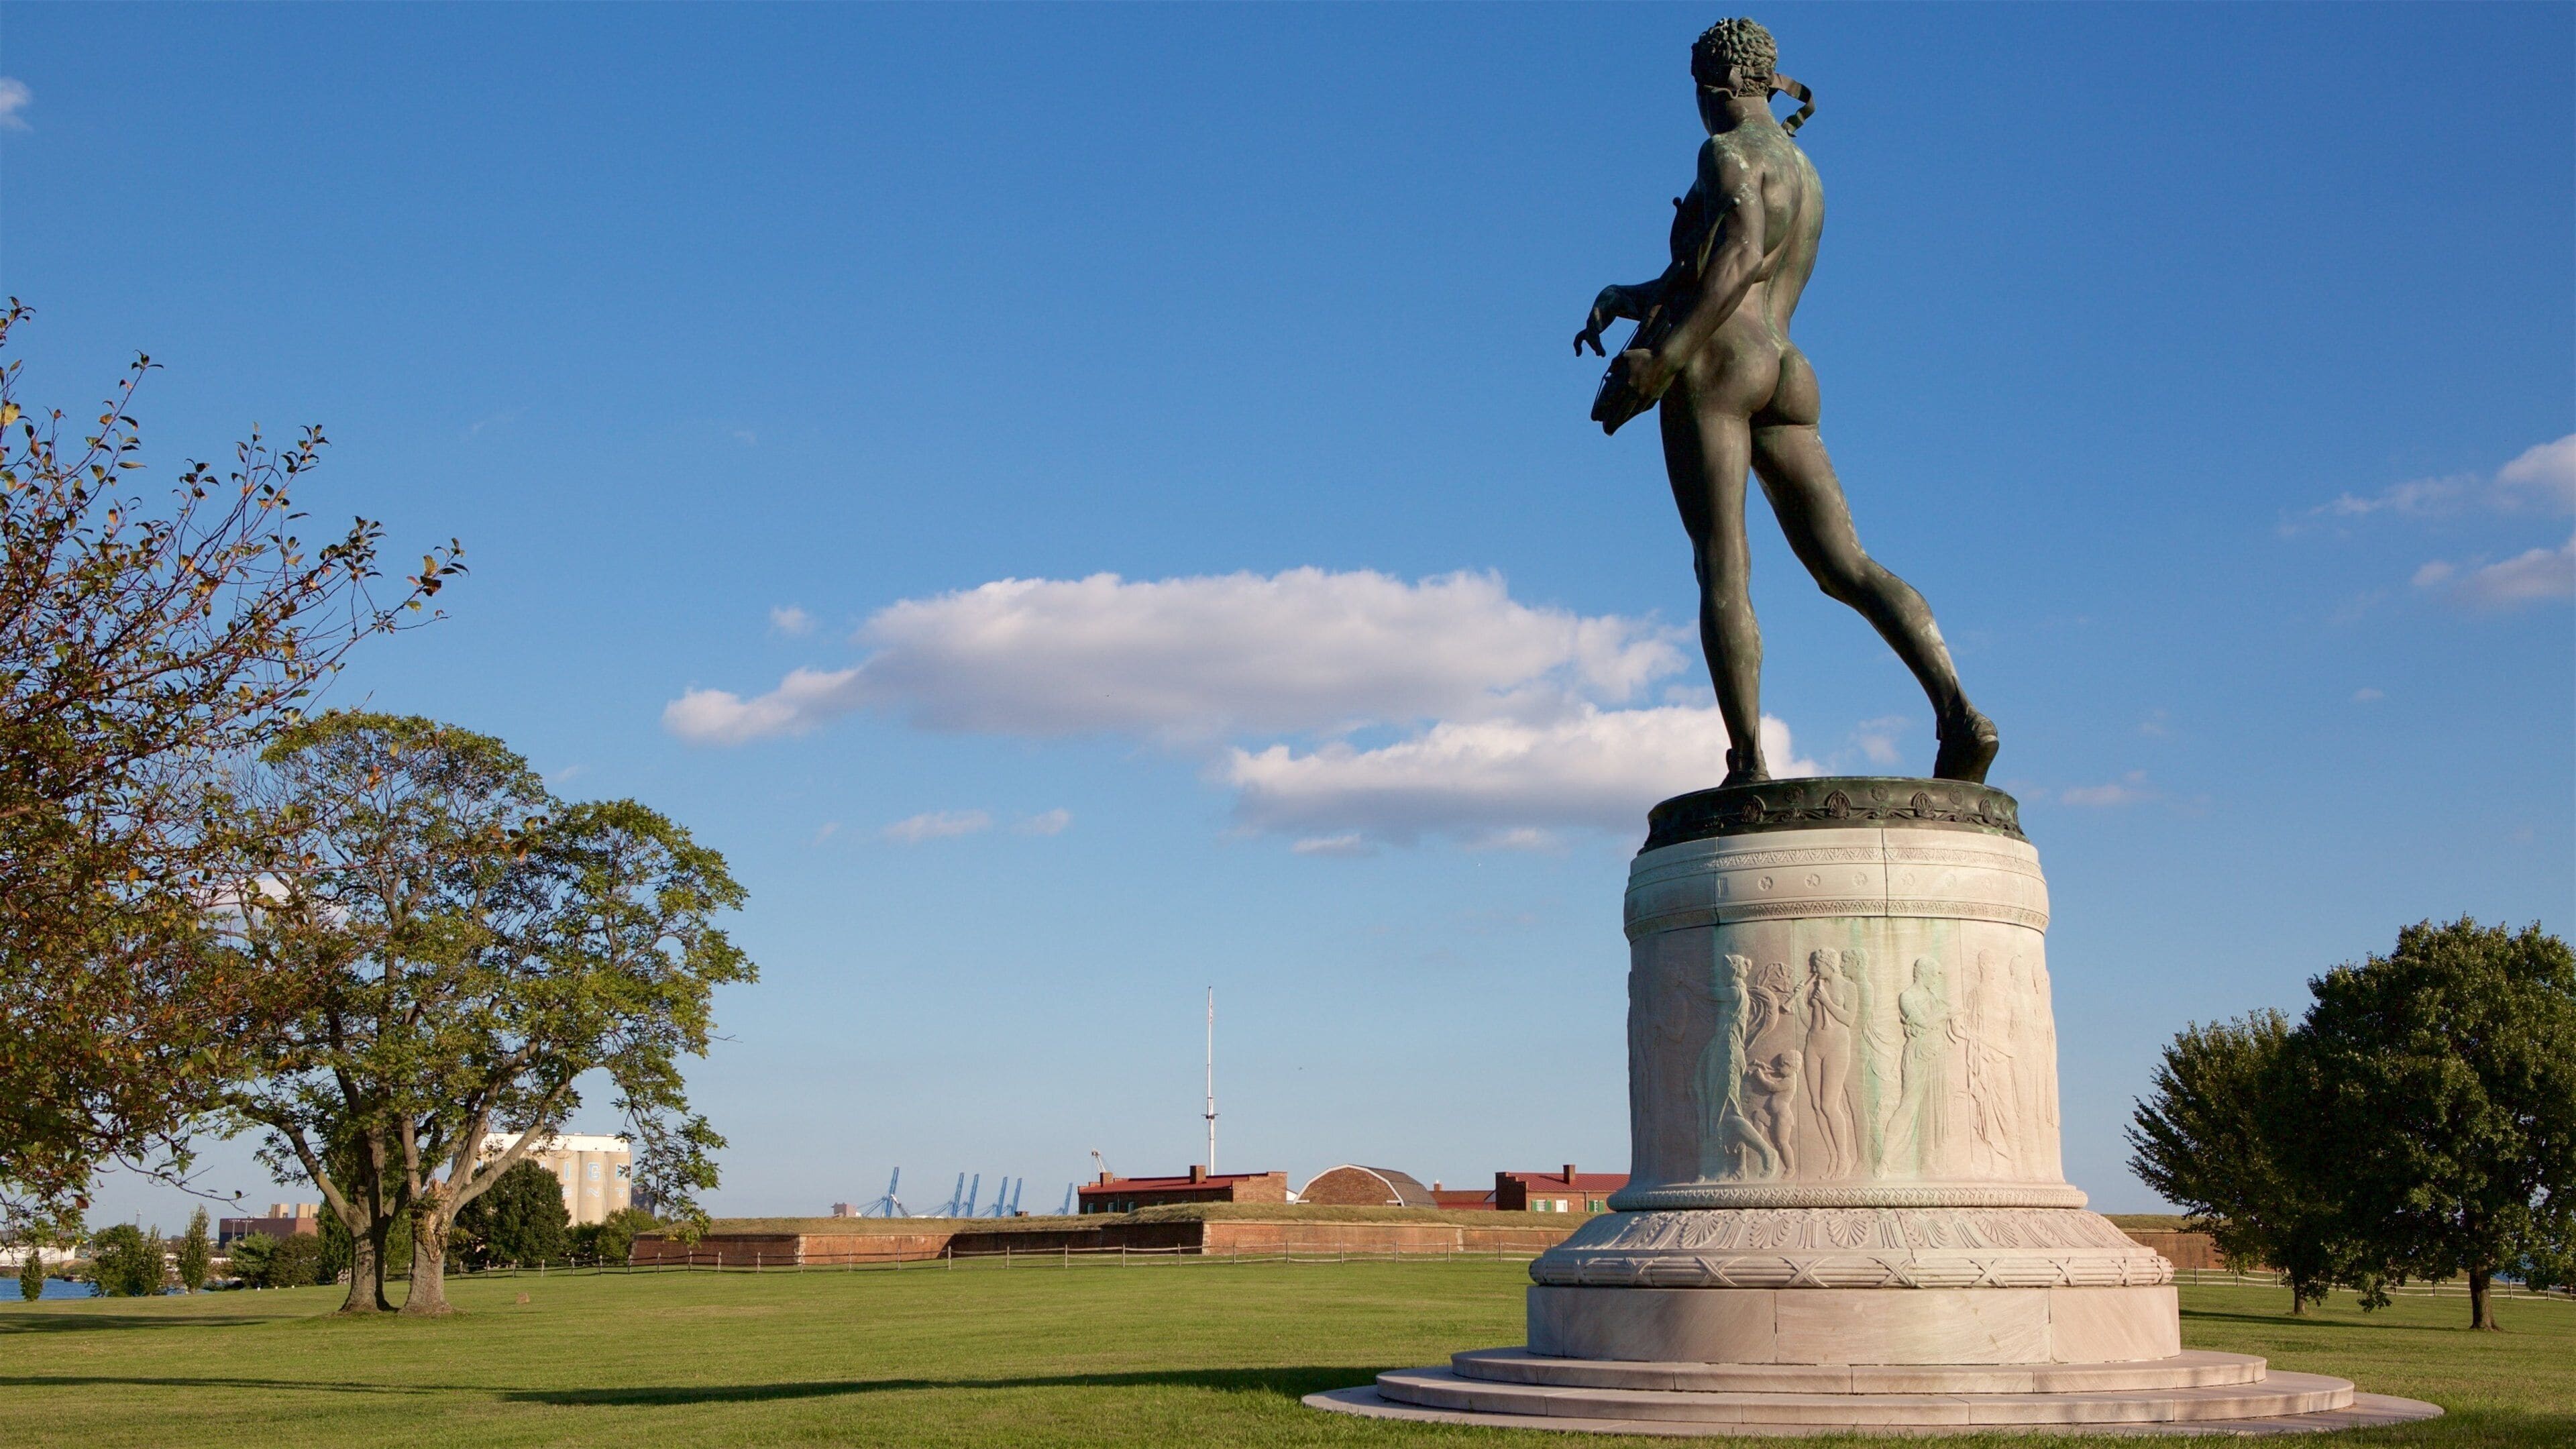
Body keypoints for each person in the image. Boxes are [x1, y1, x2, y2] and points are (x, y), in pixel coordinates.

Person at [1576, 18, 1997, 785]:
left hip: (1717, 367)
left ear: (1722, 84)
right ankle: (1960, 710)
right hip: (1785, 364)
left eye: (1700, 89)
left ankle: (1749, 767)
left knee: (1723, 566)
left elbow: (1735, 255)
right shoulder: (1804, 170)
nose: (1699, 105)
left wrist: (1662, 361)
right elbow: (1742, 267)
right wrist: (1627, 297)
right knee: (1846, 565)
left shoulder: (1726, 152)